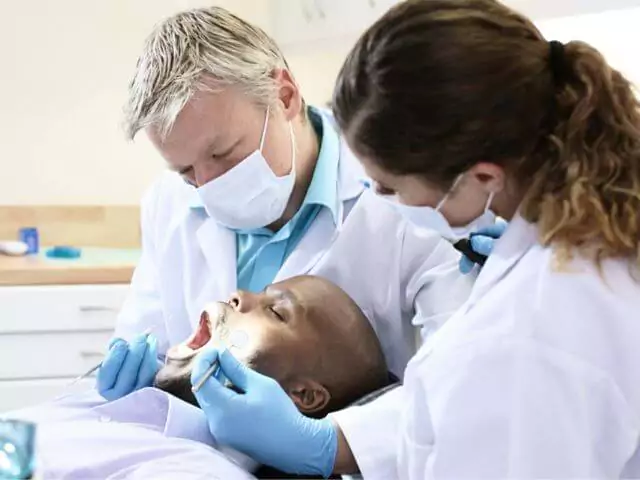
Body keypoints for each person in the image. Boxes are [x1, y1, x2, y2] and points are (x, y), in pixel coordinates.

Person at [191, 0, 640, 478]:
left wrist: (322, 445)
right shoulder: (599, 242)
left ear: (482, 177)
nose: (378, 199)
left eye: (389, 188)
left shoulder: (518, 335)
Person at [96, 4, 483, 472]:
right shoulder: (168, 203)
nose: (208, 184)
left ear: (284, 96)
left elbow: (468, 384)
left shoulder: (405, 195)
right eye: (186, 171)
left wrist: (327, 442)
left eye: (222, 153)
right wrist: (137, 385)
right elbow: (151, 340)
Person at [9, 276, 390, 479]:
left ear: (303, 395)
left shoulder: (193, 468)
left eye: (276, 312)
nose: (239, 294)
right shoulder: (110, 402)